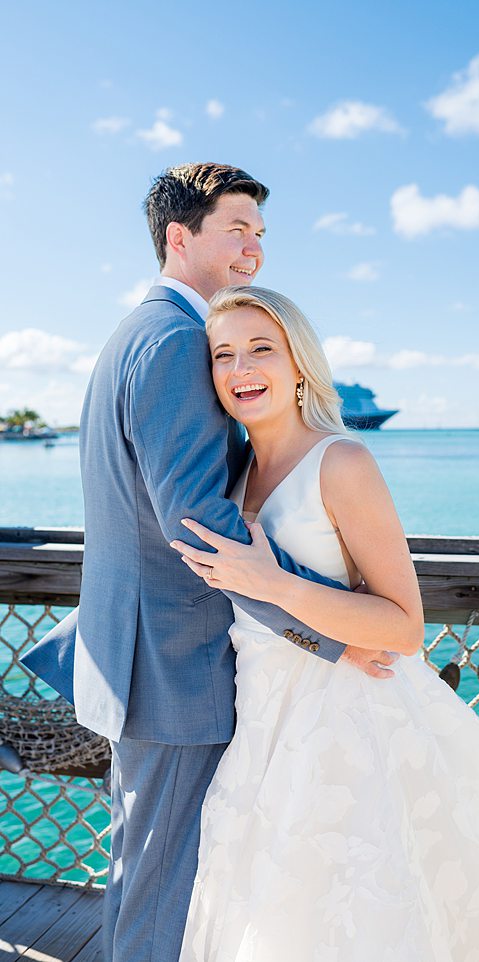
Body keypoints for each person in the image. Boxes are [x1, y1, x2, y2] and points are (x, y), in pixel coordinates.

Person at [21, 163, 393, 962]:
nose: (255, 251)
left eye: (260, 234)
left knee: (143, 873)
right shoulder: (176, 342)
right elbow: (199, 528)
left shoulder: (138, 329)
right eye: (237, 230)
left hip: (142, 660)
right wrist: (335, 629)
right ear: (178, 237)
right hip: (174, 671)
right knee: (165, 890)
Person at [172, 286, 479, 962]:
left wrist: (274, 583)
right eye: (223, 354)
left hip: (348, 730)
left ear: (299, 365)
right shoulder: (231, 477)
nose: (241, 369)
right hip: (260, 730)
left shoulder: (342, 462)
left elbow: (404, 626)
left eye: (262, 349)